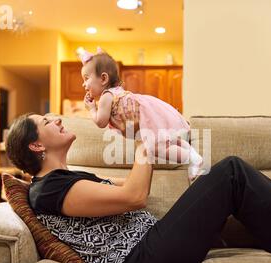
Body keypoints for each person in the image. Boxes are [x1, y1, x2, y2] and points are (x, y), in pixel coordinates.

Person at [5, 108, 271, 263]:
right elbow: (135, 196)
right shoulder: (46, 191)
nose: (56, 118)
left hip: (152, 244)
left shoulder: (67, 179)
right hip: (143, 259)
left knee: (233, 186)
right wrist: (144, 144)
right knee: (232, 171)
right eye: (45, 122)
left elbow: (118, 199)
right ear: (36, 146)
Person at [79, 47, 204, 181]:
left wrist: (92, 109)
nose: (83, 84)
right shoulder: (116, 91)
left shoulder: (106, 96)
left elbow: (100, 122)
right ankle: (190, 151)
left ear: (103, 79)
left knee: (156, 148)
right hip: (147, 114)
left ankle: (191, 158)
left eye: (86, 79)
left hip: (144, 120)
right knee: (164, 142)